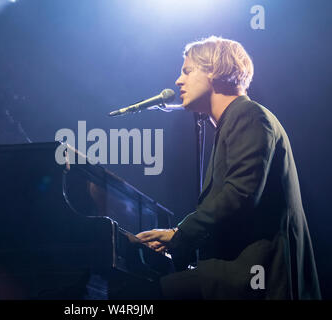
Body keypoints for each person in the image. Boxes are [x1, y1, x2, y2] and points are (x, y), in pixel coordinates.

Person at [136, 36, 321, 299]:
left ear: (214, 70)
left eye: (187, 71)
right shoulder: (232, 123)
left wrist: (180, 234)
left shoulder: (249, 115)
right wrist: (179, 244)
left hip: (255, 276)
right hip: (239, 272)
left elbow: (240, 195)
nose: (179, 81)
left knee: (144, 293)